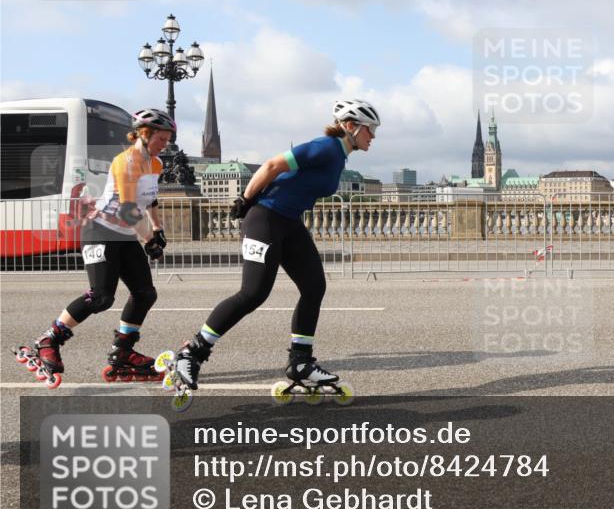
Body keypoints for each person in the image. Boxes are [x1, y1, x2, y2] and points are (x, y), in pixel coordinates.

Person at [172, 99, 380, 391]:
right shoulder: (326, 147)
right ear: (350, 126)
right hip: (266, 218)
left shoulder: (339, 157)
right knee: (253, 293)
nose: (373, 136)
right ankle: (191, 353)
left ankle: (300, 362)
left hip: (289, 222)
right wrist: (245, 199)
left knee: (314, 286)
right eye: (370, 130)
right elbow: (272, 165)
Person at [20, 108, 174, 385]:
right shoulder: (126, 162)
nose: (166, 144)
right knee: (102, 297)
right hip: (101, 230)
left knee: (145, 293)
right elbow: (128, 210)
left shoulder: (156, 164)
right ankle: (48, 339)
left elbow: (150, 199)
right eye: (162, 139)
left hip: (125, 234)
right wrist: (149, 239)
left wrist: (158, 229)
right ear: (145, 134)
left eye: (168, 139)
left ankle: (123, 353)